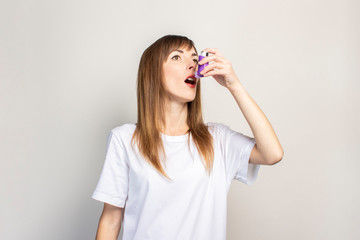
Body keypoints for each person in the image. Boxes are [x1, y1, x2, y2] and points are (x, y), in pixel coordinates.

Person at [91, 34, 284, 240]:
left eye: (194, 58)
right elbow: (111, 220)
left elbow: (272, 153)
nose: (192, 64)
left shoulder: (217, 139)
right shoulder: (124, 139)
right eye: (176, 57)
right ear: (152, 73)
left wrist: (233, 85)